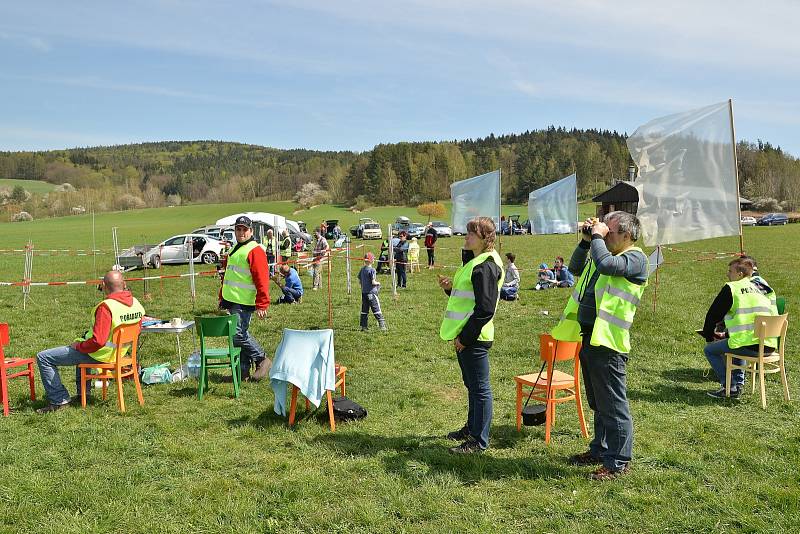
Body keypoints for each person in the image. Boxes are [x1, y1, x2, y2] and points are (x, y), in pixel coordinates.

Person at [552, 211, 648, 480]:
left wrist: (597, 236)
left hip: (609, 341)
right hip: (591, 337)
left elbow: (605, 265)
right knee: (598, 401)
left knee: (613, 404)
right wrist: (586, 241)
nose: (605, 235)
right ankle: (600, 449)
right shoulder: (604, 253)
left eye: (611, 231)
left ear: (627, 235)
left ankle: (618, 462)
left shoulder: (635, 258)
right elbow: (574, 268)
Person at [35, 270, 145, 413]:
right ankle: (83, 396)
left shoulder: (106, 307)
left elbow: (98, 342)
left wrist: (79, 346)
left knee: (43, 357)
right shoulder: (135, 303)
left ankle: (58, 400)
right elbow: (138, 329)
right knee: (82, 349)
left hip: (101, 355)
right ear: (124, 284)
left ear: (104, 285)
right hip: (120, 354)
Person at [438, 217, 503, 454]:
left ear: (485, 239)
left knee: (480, 389)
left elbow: (484, 309)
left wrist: (464, 339)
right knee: (472, 386)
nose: (466, 237)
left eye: (471, 234)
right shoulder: (475, 261)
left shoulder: (485, 265)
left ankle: (478, 441)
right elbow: (469, 299)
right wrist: (449, 288)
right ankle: (471, 428)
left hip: (474, 337)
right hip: (467, 334)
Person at [701, 257, 777, 399]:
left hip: (750, 345)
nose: (727, 274)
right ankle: (738, 383)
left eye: (730, 271)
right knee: (735, 341)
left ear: (740, 274)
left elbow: (713, 314)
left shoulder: (732, 288)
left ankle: (729, 386)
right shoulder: (762, 287)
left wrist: (708, 335)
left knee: (710, 350)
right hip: (769, 345)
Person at [220, 215, 271, 382]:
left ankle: (262, 358)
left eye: (244, 229)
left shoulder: (255, 250)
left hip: (244, 300)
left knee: (238, 335)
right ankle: (242, 372)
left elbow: (262, 278)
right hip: (232, 299)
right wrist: (222, 296)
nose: (241, 232)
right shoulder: (236, 247)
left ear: (251, 231)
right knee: (237, 336)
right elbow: (230, 274)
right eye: (238, 229)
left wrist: (262, 304)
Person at [358, 252, 387, 331]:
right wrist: (378, 283)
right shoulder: (372, 270)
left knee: (364, 310)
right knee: (376, 308)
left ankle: (363, 326)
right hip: (372, 293)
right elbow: (373, 282)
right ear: (371, 261)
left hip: (364, 293)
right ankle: (382, 325)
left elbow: (360, 281)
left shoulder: (362, 269)